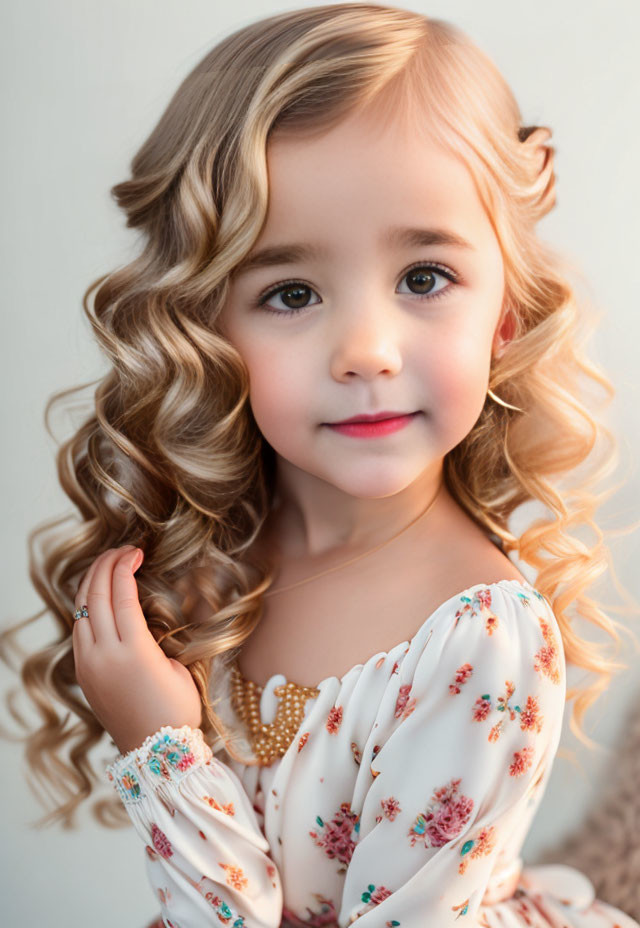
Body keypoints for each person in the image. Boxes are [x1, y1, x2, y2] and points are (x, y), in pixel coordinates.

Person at [3, 3, 639, 926]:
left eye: (424, 278)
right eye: (291, 292)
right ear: (207, 332)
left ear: (502, 320)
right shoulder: (217, 562)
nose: (367, 350)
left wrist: (162, 748)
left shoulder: (480, 640)